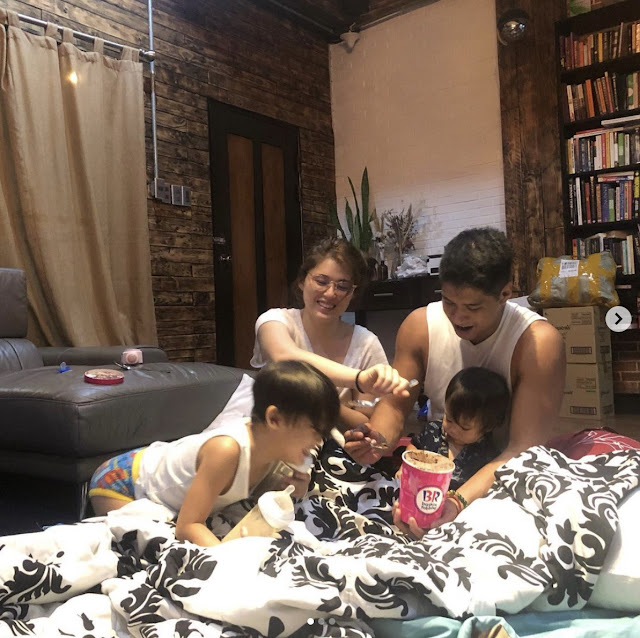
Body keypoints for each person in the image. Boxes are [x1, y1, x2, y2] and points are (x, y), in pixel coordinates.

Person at [345, 226, 566, 535]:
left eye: (472, 307)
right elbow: (395, 406)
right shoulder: (420, 327)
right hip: (436, 456)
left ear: (505, 293)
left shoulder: (537, 343)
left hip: (495, 471)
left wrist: (457, 501)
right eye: (449, 302)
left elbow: (523, 450)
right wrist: (376, 442)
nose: (458, 317)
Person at [88, 360, 339, 547]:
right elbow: (188, 526)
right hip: (121, 480)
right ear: (275, 419)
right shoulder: (226, 450)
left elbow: (259, 501)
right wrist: (224, 561)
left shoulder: (275, 452)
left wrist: (294, 490)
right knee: (146, 543)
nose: (319, 441)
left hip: (151, 473)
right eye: (315, 430)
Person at [251, 237, 411, 431]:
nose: (330, 293)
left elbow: (366, 422)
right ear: (302, 281)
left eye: (342, 286)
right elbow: (284, 356)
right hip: (272, 435)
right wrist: (360, 379)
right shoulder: (276, 320)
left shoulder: (365, 343)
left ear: (352, 293)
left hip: (332, 445)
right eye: (321, 281)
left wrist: (325, 403)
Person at [399, 367, 510, 518]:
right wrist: (405, 468)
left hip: (455, 514)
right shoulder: (434, 431)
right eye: (449, 419)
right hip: (416, 497)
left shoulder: (487, 455)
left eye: (464, 427)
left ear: (488, 428)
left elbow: (487, 488)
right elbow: (414, 446)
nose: (453, 429)